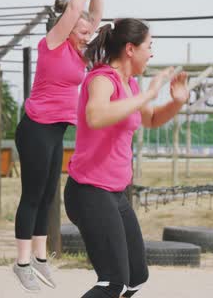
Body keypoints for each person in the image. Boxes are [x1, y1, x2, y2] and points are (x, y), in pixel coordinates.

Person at [64, 18, 189, 298]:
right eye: (149, 46)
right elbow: (95, 116)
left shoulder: (130, 85)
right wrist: (148, 94)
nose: (152, 52)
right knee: (113, 282)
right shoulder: (101, 79)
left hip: (115, 194)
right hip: (88, 191)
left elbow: (153, 118)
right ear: (130, 49)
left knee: (135, 278)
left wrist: (177, 101)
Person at [12, 0, 104, 292]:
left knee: (48, 198)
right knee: (32, 196)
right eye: (81, 30)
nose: (87, 35)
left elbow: (96, 14)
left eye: (89, 32)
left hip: (56, 131)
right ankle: (22, 263)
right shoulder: (52, 44)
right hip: (36, 128)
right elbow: (75, 11)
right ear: (66, 26)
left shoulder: (81, 53)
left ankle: (39, 258)